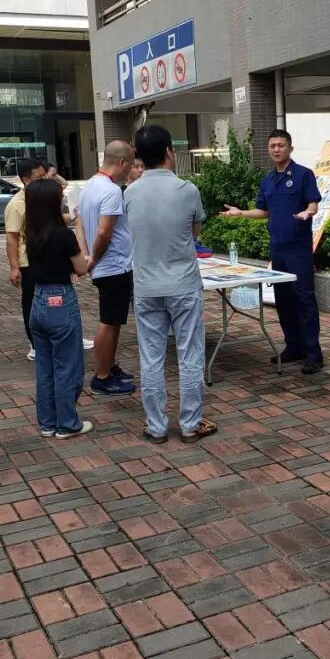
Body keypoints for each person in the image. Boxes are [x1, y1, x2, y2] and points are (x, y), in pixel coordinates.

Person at [124, 125, 216, 444]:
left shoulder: (129, 193)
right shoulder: (187, 189)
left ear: (139, 156)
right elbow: (194, 233)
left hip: (146, 286)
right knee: (190, 354)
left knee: (151, 357)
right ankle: (190, 424)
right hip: (183, 284)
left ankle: (156, 426)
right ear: (168, 151)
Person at [222, 129, 323, 374]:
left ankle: (313, 354)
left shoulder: (303, 174)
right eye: (272, 146)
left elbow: (313, 204)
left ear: (290, 148)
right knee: (284, 300)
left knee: (304, 300)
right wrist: (241, 213)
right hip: (277, 248)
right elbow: (263, 211)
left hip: (298, 248)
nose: (276, 149)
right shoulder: (267, 180)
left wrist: (308, 212)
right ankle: (293, 347)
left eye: (281, 145)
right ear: (268, 150)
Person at [25, 179, 94, 438]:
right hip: (61, 301)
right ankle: (67, 423)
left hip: (39, 300)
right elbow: (81, 268)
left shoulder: (32, 235)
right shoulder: (63, 235)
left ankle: (47, 422)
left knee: (44, 367)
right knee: (67, 366)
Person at [79, 141, 137, 395]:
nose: (131, 170)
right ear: (122, 162)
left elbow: (80, 223)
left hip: (107, 265)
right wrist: (93, 257)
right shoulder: (112, 191)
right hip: (113, 266)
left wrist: (87, 255)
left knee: (114, 320)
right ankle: (102, 376)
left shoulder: (90, 185)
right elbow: (104, 232)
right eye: (131, 165)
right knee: (109, 322)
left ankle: (110, 366)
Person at [5, 158, 46, 360]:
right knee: (31, 302)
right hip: (28, 262)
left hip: (47, 257)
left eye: (44, 175)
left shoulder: (43, 197)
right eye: (39, 177)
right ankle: (35, 344)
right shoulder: (16, 205)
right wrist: (14, 267)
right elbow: (11, 238)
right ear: (26, 180)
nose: (44, 179)